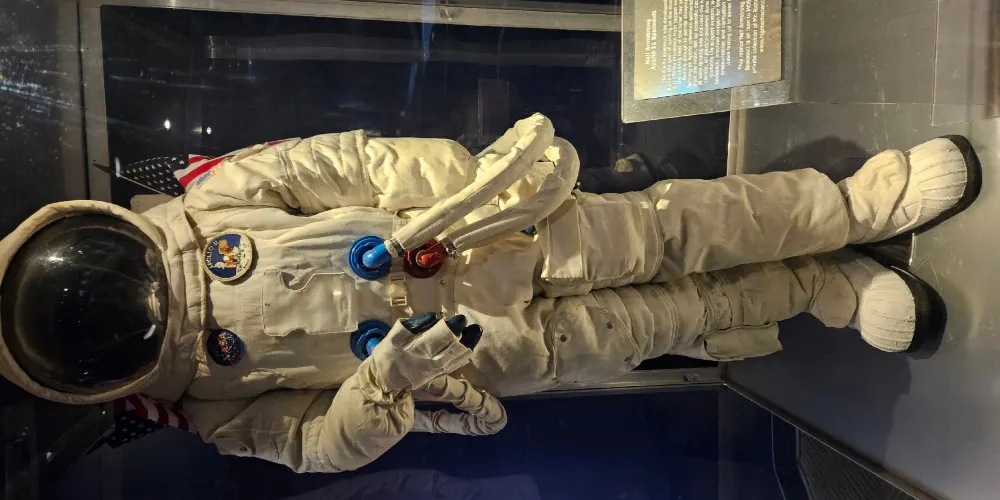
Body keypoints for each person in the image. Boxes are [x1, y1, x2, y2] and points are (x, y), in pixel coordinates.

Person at [0, 114, 980, 473]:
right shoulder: (206, 401)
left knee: (675, 225)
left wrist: (452, 190)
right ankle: (819, 284)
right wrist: (377, 389)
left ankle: (849, 205)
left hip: (493, 232)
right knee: (664, 319)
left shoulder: (211, 201)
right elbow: (311, 443)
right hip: (488, 347)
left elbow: (345, 161)